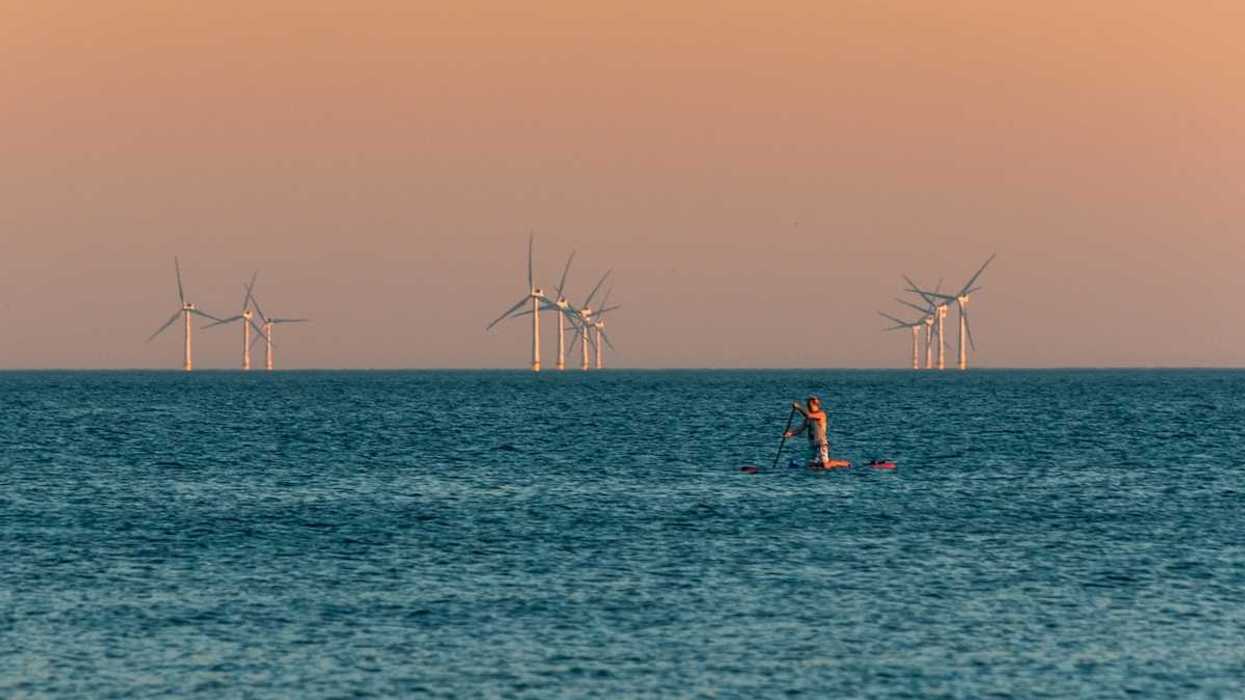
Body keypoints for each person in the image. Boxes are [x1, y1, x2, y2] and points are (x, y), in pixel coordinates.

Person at [784, 395, 837, 469]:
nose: (807, 406)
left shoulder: (821, 414)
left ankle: (843, 464)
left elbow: (809, 415)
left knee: (825, 466)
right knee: (811, 466)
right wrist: (790, 433)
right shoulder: (808, 418)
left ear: (813, 403)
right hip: (812, 444)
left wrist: (799, 407)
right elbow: (800, 429)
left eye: (808, 404)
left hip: (821, 444)